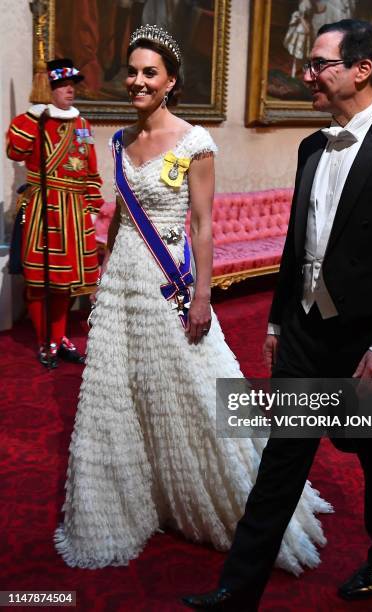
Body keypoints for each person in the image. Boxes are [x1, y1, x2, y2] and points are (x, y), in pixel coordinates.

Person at [182, 19, 372, 610]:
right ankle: (238, 588)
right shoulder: (312, 145)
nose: (307, 74)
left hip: (369, 342)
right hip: (305, 333)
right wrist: (279, 322)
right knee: (282, 459)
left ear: (362, 70)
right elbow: (296, 244)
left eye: (319, 63)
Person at [54, 24, 332, 573]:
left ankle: (228, 499)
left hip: (169, 285)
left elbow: (203, 226)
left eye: (149, 72)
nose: (137, 80)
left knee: (190, 386)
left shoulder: (194, 142)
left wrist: (203, 295)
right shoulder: (120, 141)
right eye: (131, 71)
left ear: (171, 81)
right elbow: (122, 217)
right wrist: (103, 275)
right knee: (123, 391)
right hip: (121, 287)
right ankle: (140, 494)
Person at [6, 58, 104, 368]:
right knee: (39, 282)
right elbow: (14, 152)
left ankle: (60, 337)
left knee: (66, 283)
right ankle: (43, 340)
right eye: (62, 85)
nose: (69, 90)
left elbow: (90, 168)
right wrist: (32, 117)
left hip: (73, 213)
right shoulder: (33, 122)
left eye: (71, 85)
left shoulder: (83, 126)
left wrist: (90, 207)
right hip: (43, 210)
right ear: (48, 90)